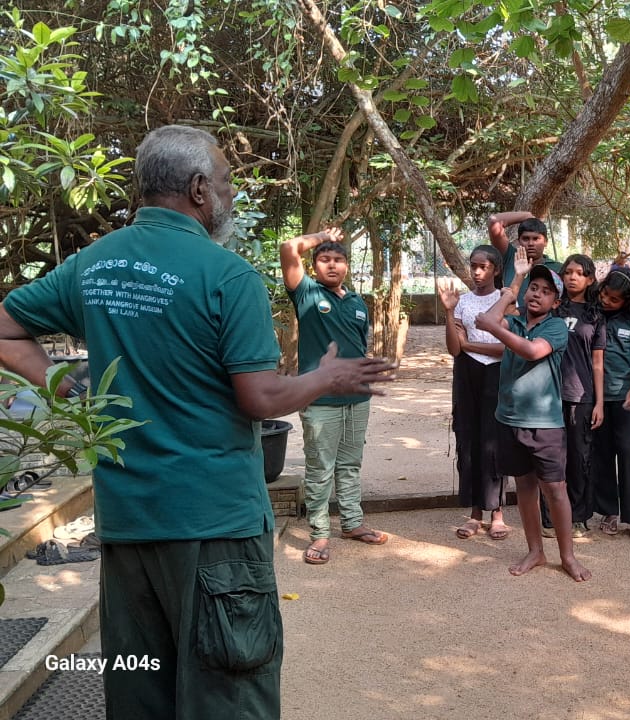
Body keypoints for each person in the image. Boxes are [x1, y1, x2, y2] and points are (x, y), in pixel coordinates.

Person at [0, 124, 395, 719]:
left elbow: (6, 329)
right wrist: (326, 378)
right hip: (215, 527)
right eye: (228, 182)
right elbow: (260, 397)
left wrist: (69, 385)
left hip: (128, 524)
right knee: (229, 696)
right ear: (197, 189)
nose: (231, 195)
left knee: (142, 694)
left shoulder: (93, 265)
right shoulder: (226, 275)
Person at [474, 250, 591, 582]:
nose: (536, 294)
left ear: (556, 302)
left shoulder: (556, 328)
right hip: (509, 419)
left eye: (545, 290)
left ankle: (567, 557)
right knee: (524, 485)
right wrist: (516, 280)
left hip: (544, 425)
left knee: (555, 488)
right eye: (533, 288)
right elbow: (488, 319)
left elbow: (530, 350)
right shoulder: (513, 321)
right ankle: (535, 551)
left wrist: (494, 327)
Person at [282, 227, 389, 565]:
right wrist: (321, 236)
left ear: (347, 265)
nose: (332, 265)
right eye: (324, 259)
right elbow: (288, 248)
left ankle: (352, 523)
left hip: (357, 397)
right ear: (313, 266)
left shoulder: (357, 302)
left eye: (338, 260)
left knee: (350, 464)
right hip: (320, 399)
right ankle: (319, 533)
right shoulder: (306, 293)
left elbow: (359, 343)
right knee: (320, 468)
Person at [439, 245, 510, 541]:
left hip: (495, 375)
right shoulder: (463, 302)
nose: (477, 272)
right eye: (473, 266)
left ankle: (497, 513)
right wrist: (449, 311)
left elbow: (504, 349)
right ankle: (475, 514)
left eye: (483, 266)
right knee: (468, 442)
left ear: (495, 269)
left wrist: (469, 344)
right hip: (466, 376)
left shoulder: (504, 301)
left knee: (493, 444)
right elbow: (454, 349)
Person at [542, 253, 605, 539]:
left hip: (582, 397)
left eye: (579, 272)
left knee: (580, 458)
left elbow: (598, 362)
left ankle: (579, 516)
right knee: (553, 457)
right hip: (549, 395)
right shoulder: (552, 310)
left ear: (590, 279)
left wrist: (599, 402)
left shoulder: (594, 314)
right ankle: (549, 517)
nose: (572, 277)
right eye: (567, 272)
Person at [592, 266, 630, 544]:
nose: (606, 301)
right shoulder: (596, 312)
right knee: (602, 454)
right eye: (605, 294)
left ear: (628, 301)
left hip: (625, 397)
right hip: (598, 398)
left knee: (626, 453)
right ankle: (608, 511)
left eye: (614, 299)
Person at [487, 210, 562, 305]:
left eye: (536, 239)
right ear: (519, 241)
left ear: (546, 242)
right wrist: (527, 216)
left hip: (543, 320)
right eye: (526, 239)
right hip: (510, 318)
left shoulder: (558, 268)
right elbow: (493, 222)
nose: (531, 243)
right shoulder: (510, 256)